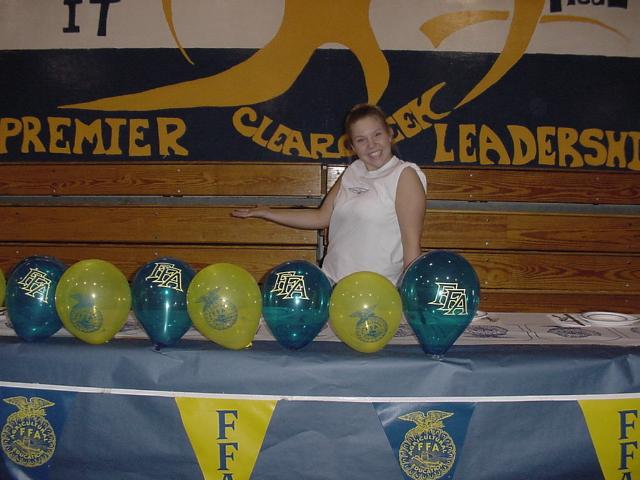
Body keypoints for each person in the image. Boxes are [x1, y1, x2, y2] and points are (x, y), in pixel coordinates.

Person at [232, 103, 427, 285]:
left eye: (377, 135)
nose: (371, 145)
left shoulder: (405, 175)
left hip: (375, 288)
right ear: (352, 147)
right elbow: (321, 217)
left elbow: (411, 250)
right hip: (332, 281)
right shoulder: (353, 170)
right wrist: (268, 212)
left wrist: (411, 297)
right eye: (361, 140)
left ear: (389, 134)